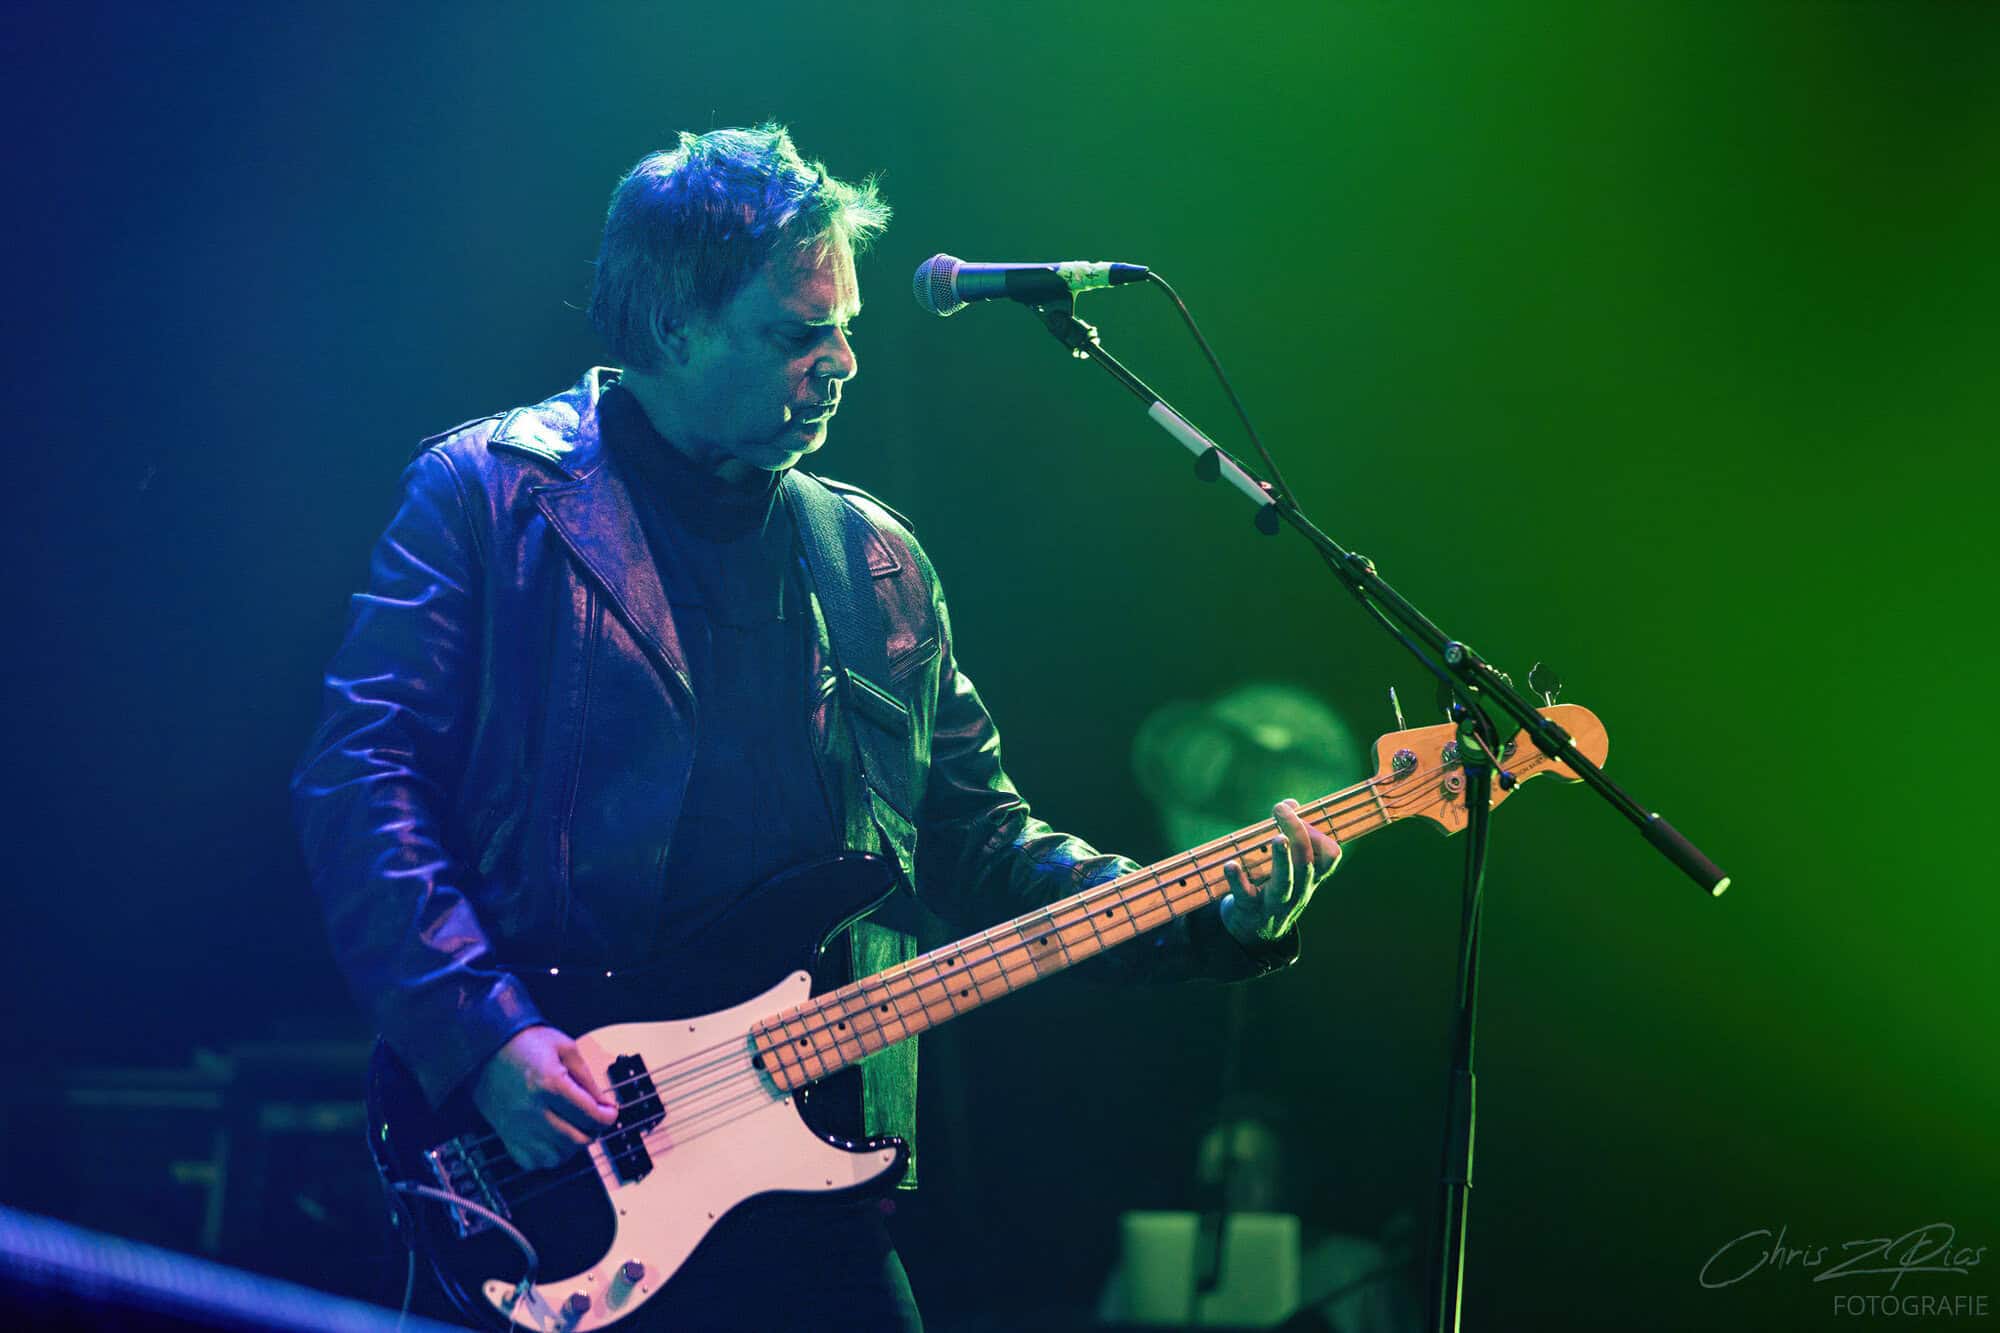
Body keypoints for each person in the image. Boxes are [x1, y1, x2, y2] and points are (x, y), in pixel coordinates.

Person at [291, 124, 1341, 1332]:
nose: (842, 361)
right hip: (559, 1147)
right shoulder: (489, 496)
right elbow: (360, 782)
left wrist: (1207, 913)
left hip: (807, 1159)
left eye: (845, 326)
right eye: (799, 334)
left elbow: (976, 841)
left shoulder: (874, 558)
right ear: (673, 327)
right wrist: (484, 1037)